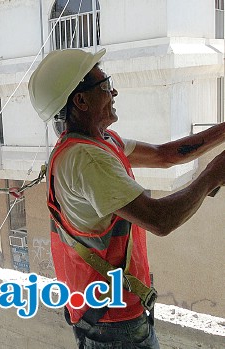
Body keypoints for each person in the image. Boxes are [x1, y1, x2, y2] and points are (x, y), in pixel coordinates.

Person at [28, 48, 225, 348]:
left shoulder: (99, 142)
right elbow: (160, 220)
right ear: (80, 100)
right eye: (105, 86)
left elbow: (166, 155)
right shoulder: (87, 160)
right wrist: (213, 173)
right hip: (114, 325)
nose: (114, 91)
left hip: (105, 315)